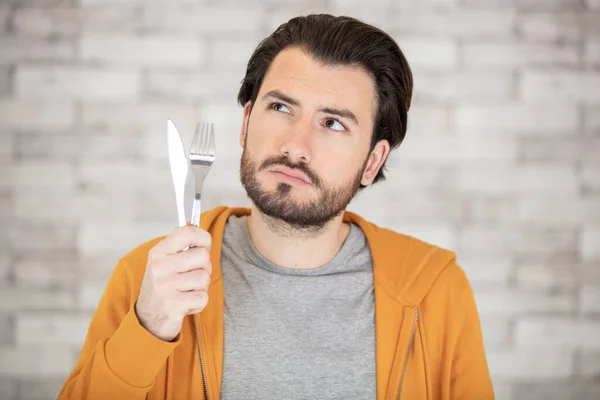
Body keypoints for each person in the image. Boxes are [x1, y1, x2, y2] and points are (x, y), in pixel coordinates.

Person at [58, 14, 494, 400]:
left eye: (333, 123)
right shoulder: (147, 276)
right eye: (281, 107)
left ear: (373, 161)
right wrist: (147, 327)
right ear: (247, 123)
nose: (295, 146)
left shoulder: (436, 290)